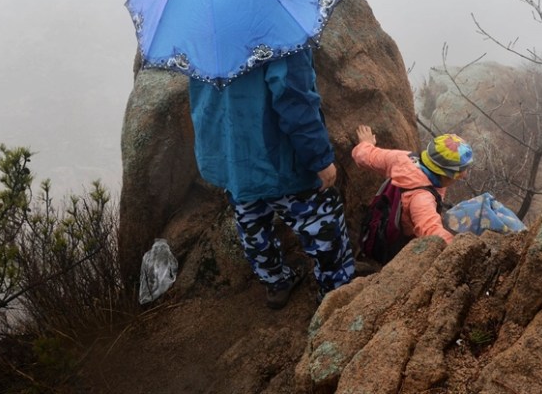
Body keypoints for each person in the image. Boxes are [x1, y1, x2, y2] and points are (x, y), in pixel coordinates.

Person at [189, 48, 355, 309]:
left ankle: (276, 282)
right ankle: (338, 288)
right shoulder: (278, 36)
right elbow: (295, 102)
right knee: (322, 220)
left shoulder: (206, 38)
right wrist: (320, 159)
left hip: (232, 162)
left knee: (252, 224)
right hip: (277, 163)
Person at [352, 124, 474, 245]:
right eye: (460, 173)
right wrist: (461, 248)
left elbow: (368, 156)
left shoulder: (403, 158)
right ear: (445, 174)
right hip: (400, 241)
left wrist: (365, 144)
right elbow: (431, 232)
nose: (464, 175)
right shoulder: (421, 198)